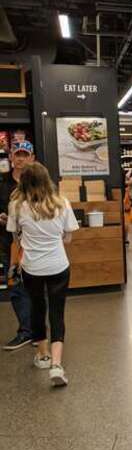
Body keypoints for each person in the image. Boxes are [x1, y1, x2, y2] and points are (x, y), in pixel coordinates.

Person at [7, 162, 79, 387]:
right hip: (58, 265)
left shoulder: (16, 205)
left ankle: (44, 355)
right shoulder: (62, 203)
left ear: (25, 182)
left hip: (32, 268)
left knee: (38, 309)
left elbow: (15, 239)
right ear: (47, 180)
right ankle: (57, 365)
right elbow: (68, 237)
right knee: (57, 312)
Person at [0, 141, 34, 351]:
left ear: (32, 158)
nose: (20, 158)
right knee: (16, 289)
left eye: (25, 154)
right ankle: (26, 332)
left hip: (34, 245)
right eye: (17, 154)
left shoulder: (37, 183)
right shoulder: (1, 182)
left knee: (37, 288)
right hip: (9, 246)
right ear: (11, 157)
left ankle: (38, 330)